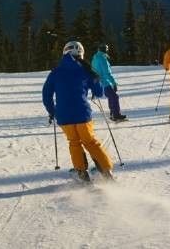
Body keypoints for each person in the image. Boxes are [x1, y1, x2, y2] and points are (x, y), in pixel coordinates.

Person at [42, 40, 114, 182]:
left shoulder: (55, 72)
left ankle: (82, 172)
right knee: (90, 142)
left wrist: (52, 111)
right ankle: (106, 170)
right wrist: (93, 90)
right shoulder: (85, 70)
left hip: (63, 116)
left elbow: (46, 95)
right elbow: (99, 92)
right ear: (81, 54)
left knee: (74, 142)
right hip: (82, 114)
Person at [90, 44, 126, 122]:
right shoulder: (102, 58)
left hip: (99, 82)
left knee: (111, 96)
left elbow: (93, 69)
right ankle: (116, 115)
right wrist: (114, 83)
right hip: (105, 81)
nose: (107, 51)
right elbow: (107, 73)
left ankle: (112, 114)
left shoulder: (95, 57)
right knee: (114, 96)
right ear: (105, 50)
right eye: (106, 49)